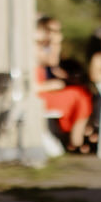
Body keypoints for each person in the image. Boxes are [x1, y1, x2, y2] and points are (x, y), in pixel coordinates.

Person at [35, 17, 94, 153]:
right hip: (40, 94)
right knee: (80, 94)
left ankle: (77, 137)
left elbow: (53, 62)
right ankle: (76, 138)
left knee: (82, 92)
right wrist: (55, 44)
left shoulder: (42, 48)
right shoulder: (34, 49)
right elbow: (51, 61)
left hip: (44, 92)